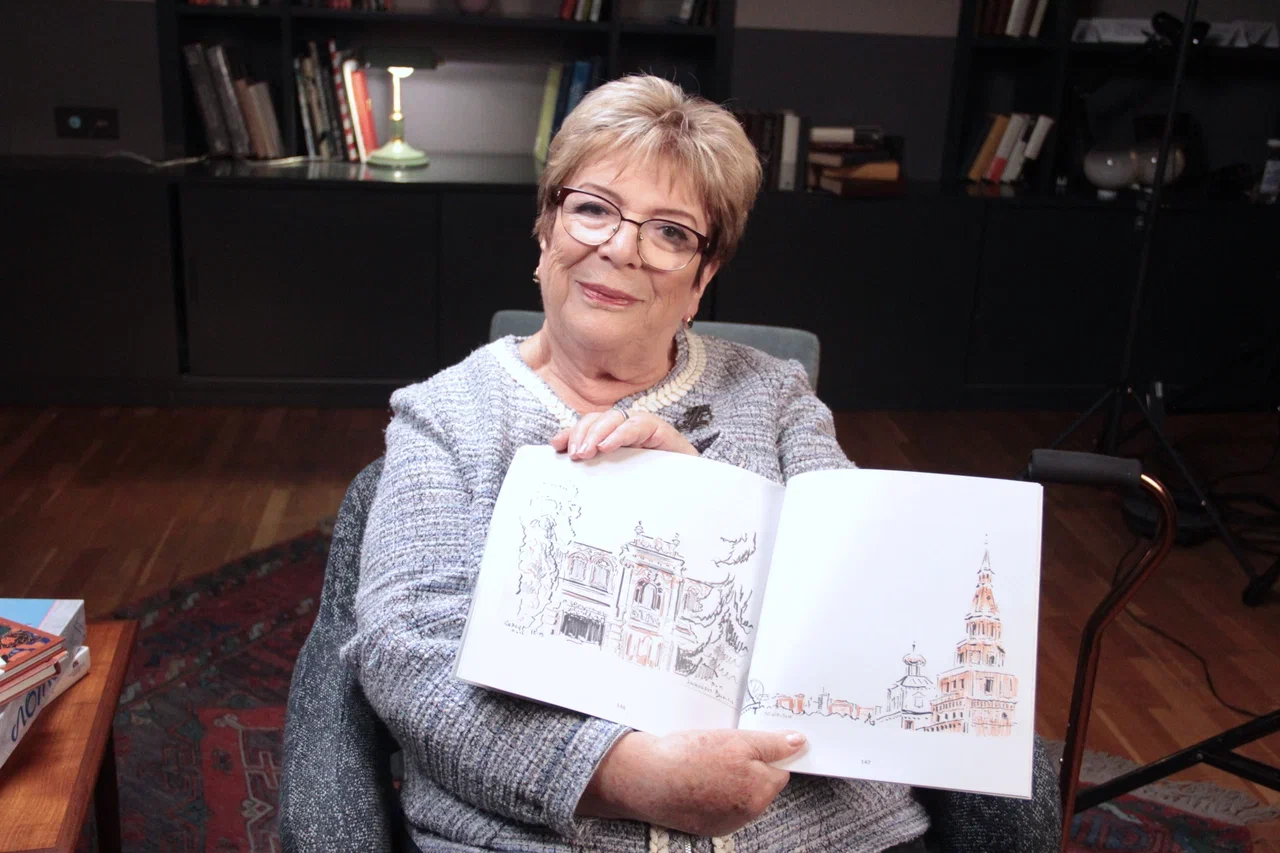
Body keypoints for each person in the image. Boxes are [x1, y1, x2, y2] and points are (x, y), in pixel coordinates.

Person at [340, 73, 935, 853]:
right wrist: (622, 773)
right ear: (546, 230)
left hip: (805, 828)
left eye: (670, 232)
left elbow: (859, 596)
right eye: (592, 209)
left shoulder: (777, 397)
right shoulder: (446, 415)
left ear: (702, 277)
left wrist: (705, 498)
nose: (620, 247)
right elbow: (408, 655)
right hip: (543, 836)